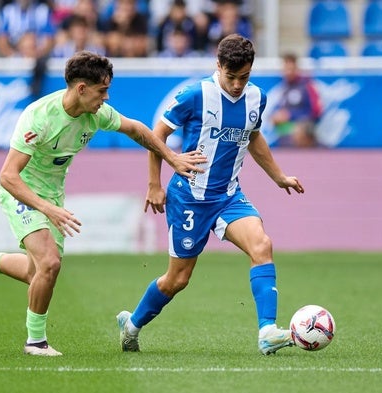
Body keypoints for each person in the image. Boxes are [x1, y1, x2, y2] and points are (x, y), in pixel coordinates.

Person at [0, 51, 207, 357]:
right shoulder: (39, 117)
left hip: (52, 195)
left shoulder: (97, 114)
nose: (106, 98)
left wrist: (172, 158)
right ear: (81, 89)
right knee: (50, 264)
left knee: (36, 272)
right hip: (23, 192)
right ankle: (35, 342)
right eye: (102, 91)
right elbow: (8, 177)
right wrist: (47, 208)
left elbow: (137, 129)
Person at [116, 34, 305, 356]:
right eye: (230, 77)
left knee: (262, 244)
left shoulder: (256, 97)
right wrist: (154, 185)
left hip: (229, 196)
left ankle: (267, 331)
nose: (236, 85)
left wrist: (278, 176)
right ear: (217, 66)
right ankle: (132, 325)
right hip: (189, 197)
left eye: (243, 77)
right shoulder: (195, 95)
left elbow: (253, 135)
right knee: (177, 280)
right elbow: (155, 135)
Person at [268, 53, 322, 148]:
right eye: (286, 69)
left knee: (298, 130)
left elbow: (316, 111)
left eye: (291, 69)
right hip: (288, 126)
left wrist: (290, 115)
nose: (288, 72)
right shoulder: (283, 88)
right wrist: (276, 116)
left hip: (305, 125)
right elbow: (278, 109)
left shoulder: (307, 86)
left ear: (296, 69)